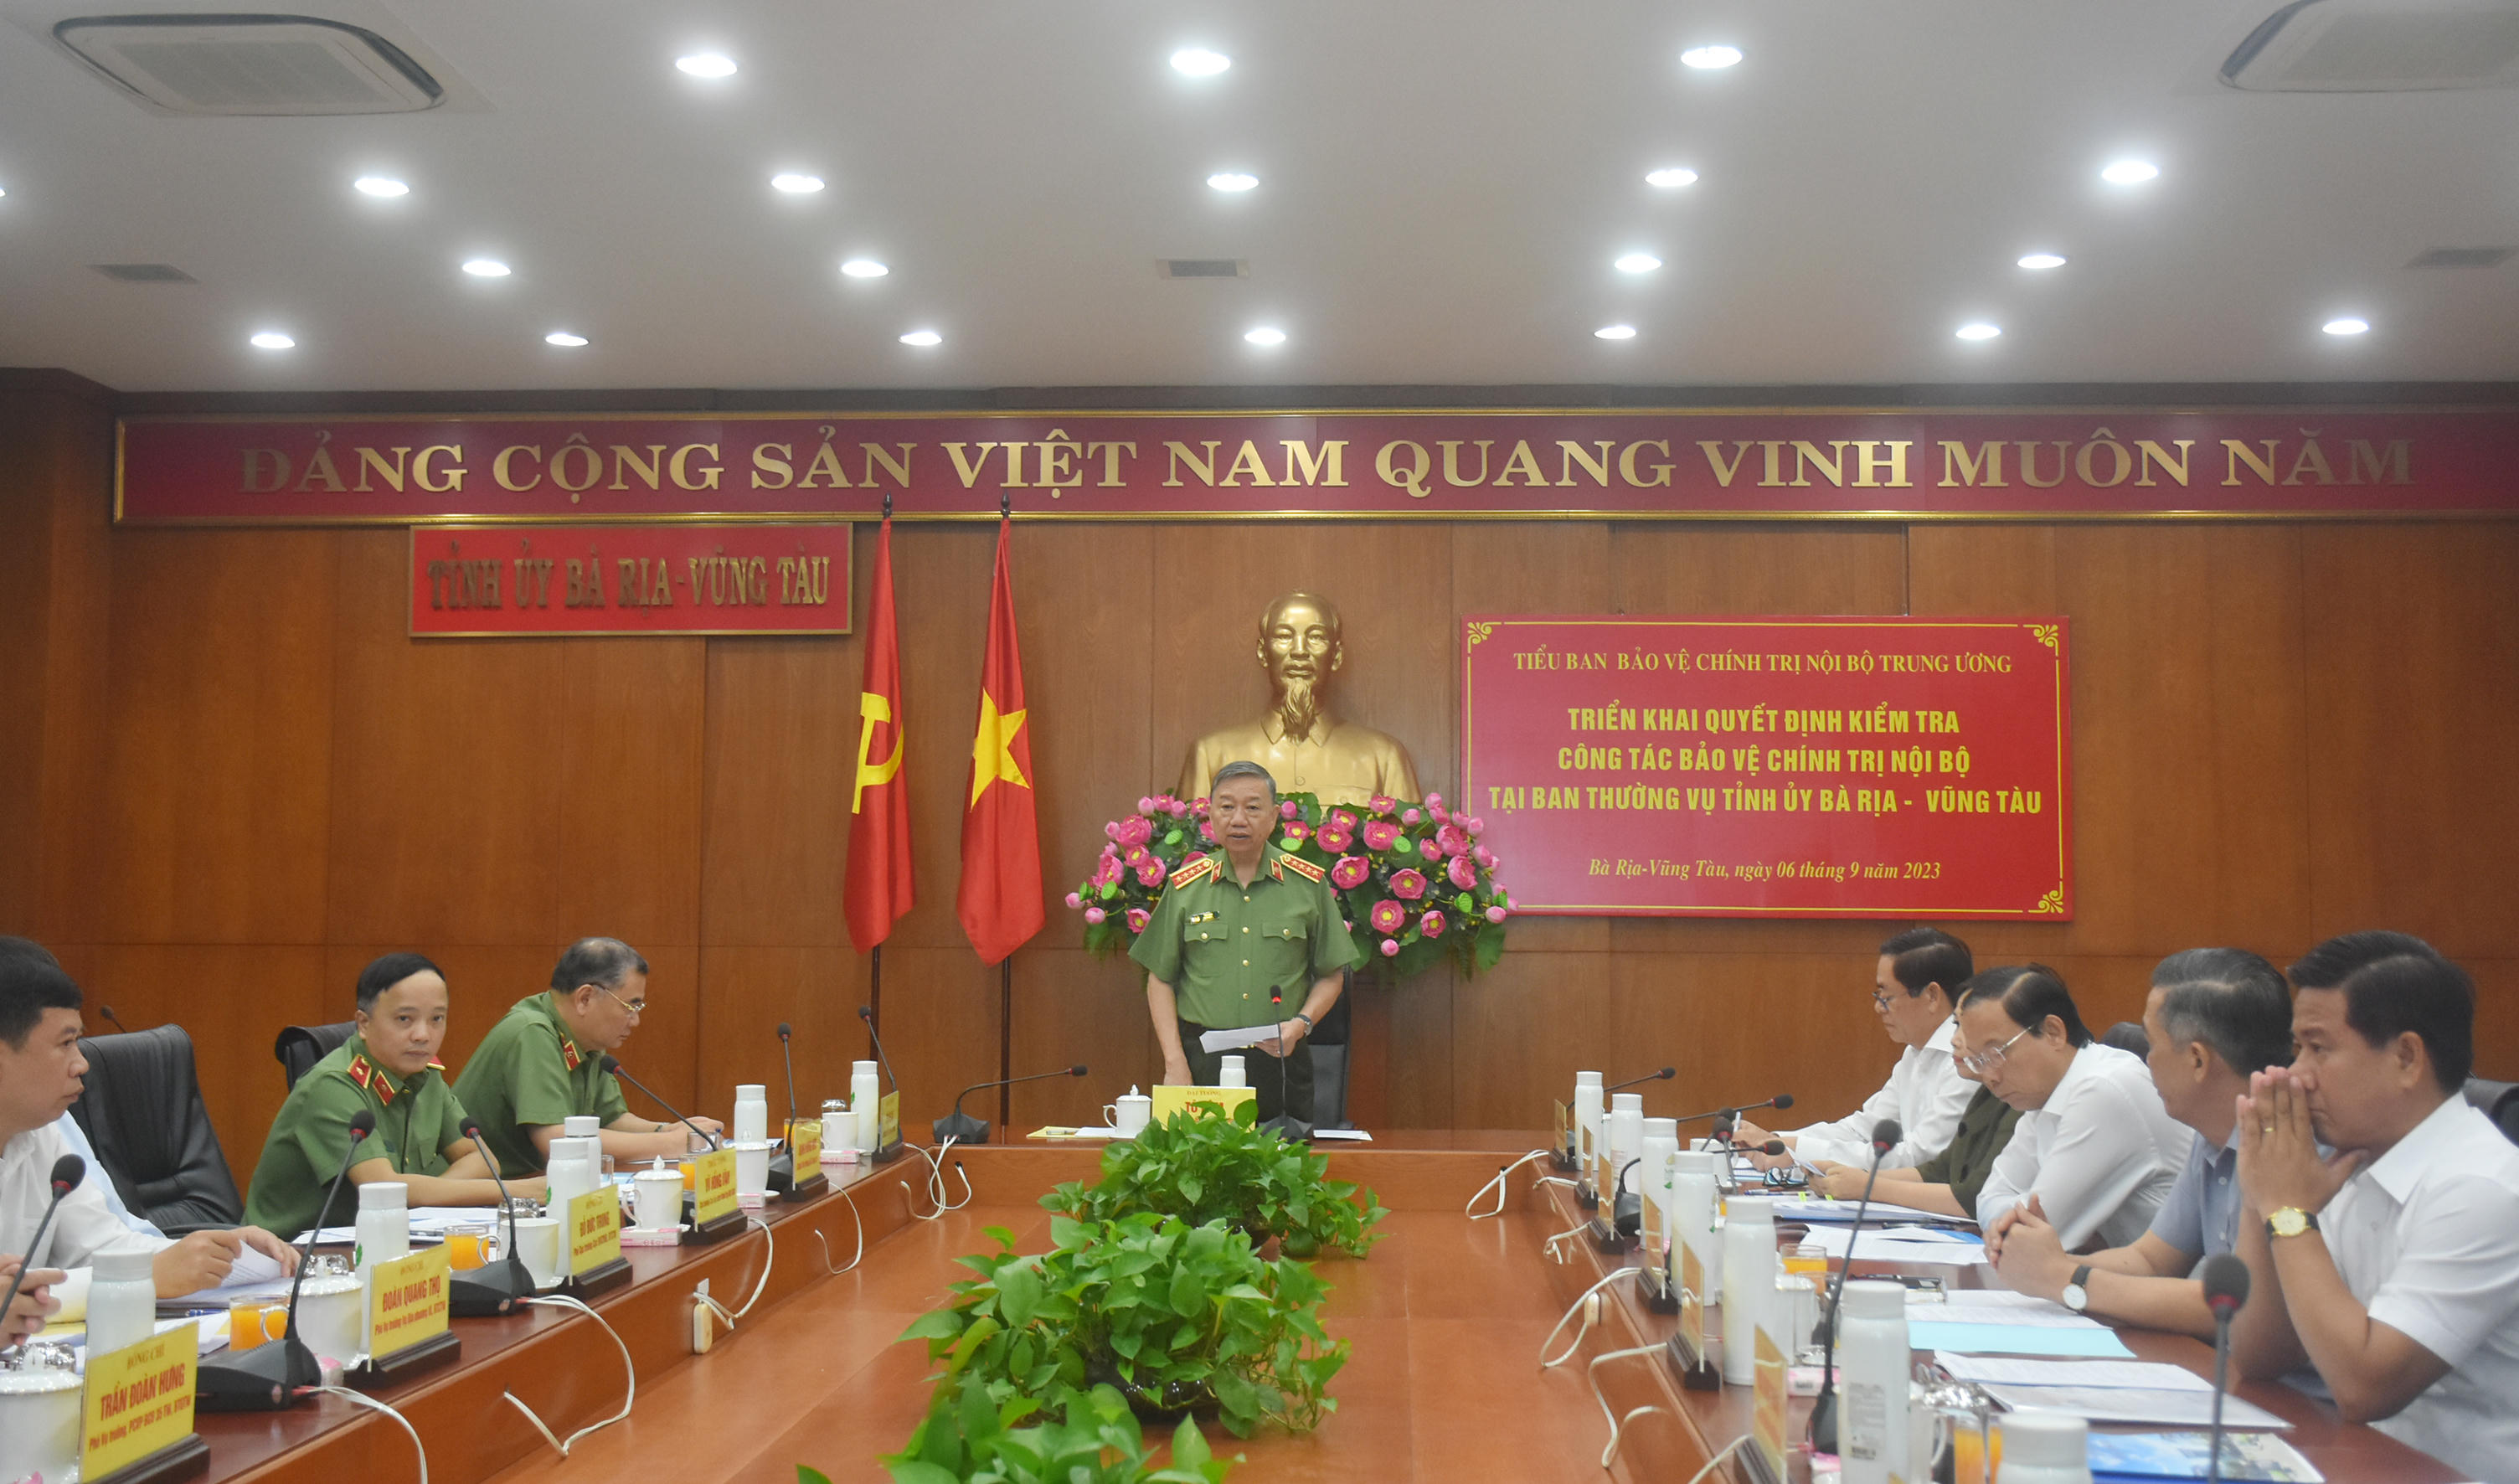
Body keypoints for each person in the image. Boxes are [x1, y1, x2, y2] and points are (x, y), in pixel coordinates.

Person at [2229, 934, 2519, 1484]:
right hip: (2365, 1465)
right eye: (2297, 1048)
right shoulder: (2358, 1165)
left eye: (2319, 1048)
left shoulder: (2481, 1187)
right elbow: (2261, 1355)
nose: (2296, 1074)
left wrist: (2288, 1211)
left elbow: (2365, 1387)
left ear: (2407, 1058)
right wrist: (2259, 1196)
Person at [1991, 948, 2295, 1337]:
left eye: (2151, 1044)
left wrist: (2065, 1279)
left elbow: (2240, 1307)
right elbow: (2150, 1260)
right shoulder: (2211, 1138)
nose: (2146, 1061)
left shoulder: (2294, 1146)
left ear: (2198, 1060)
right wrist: (2043, 1263)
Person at [2, 944, 295, 1345]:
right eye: (66, 1043)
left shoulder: (44, 1133)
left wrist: (217, 1254)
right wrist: (146, 1276)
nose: (82, 1063)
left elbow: (102, 1245)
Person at [245, 954, 543, 1241]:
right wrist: (516, 1192)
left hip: (383, 1243)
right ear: (363, 1024)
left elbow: (481, 1159)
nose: (423, 1035)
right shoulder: (333, 1085)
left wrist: (424, 1200)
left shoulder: (425, 1076)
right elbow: (382, 1189)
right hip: (290, 1254)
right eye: (404, 1019)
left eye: (437, 1018)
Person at [1131, 760, 1360, 1123]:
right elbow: (1159, 978)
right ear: (1211, 815)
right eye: (1227, 807)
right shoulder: (1186, 887)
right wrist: (1174, 1063)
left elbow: (1332, 974)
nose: (1239, 819)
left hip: (1280, 1059)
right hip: (1202, 1061)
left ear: (1273, 818)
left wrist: (1301, 1024)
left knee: (1287, 1158)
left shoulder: (1307, 885)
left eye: (1253, 808)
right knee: (1198, 1158)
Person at [452, 938, 723, 1177]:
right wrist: (669, 1144)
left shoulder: (586, 1041)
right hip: (481, 1193)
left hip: (533, 1185)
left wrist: (669, 1130)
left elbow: (612, 1120)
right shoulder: (532, 1031)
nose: (635, 1021)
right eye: (630, 1006)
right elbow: (556, 1140)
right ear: (585, 998)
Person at [1966, 964, 2189, 1250]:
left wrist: (2019, 1218)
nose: (1990, 1077)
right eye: (1979, 1061)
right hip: (2121, 1271)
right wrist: (2017, 1218)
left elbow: (2037, 1231)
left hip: (2182, 1276)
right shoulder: (2044, 1095)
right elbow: (1988, 1200)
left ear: (2053, 1032)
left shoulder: (2105, 1089)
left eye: (1996, 1053)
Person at [1737, 926, 1976, 1172]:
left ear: (1932, 996)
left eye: (1886, 997)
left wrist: (1795, 1148)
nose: (1878, 1008)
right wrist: (1776, 1140)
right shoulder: (1915, 1054)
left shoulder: (1968, 1062)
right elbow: (1862, 1130)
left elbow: (1919, 1157)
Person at [1177, 593, 1421, 807]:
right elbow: (1191, 843)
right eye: (1284, 636)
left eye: (1316, 637)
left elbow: (1408, 842)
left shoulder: (1384, 758)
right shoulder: (1211, 756)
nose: (1299, 651)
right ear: (1263, 652)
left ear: (1336, 655)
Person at [1808, 1057, 2022, 1220]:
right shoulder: (1988, 1091)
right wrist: (1854, 1177)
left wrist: (1868, 1187)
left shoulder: (2018, 1099)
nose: (1955, 1039)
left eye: (1965, 1028)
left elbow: (1973, 1196)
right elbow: (1939, 1170)